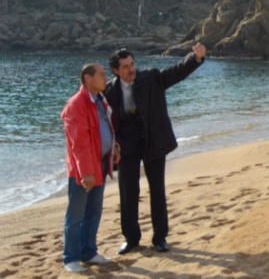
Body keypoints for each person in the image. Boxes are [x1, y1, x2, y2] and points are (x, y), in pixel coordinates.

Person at [106, 43, 206, 255]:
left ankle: (160, 238)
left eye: (132, 64)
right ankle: (131, 239)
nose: (131, 69)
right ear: (115, 70)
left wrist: (195, 59)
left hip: (153, 141)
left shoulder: (150, 78)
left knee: (157, 191)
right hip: (127, 147)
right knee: (128, 193)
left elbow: (175, 73)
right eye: (125, 66)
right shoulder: (109, 90)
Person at [61, 63, 119, 274]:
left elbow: (105, 128)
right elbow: (79, 144)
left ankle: (89, 252)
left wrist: (114, 147)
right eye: (102, 75)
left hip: (101, 163)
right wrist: (86, 172)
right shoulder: (76, 105)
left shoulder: (100, 100)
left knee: (94, 211)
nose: (106, 78)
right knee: (76, 215)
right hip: (84, 169)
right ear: (88, 78)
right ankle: (71, 257)